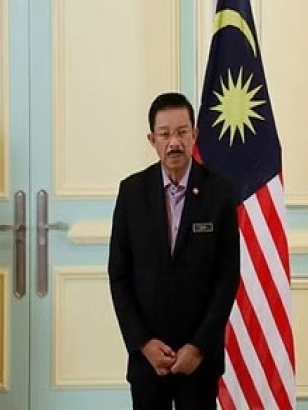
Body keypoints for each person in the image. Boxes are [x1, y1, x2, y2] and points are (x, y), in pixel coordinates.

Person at [108, 92, 240, 410]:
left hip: (198, 357)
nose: (174, 142)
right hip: (147, 357)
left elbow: (227, 276)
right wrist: (143, 343)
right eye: (165, 134)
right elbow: (119, 275)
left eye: (182, 132)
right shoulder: (131, 193)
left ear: (195, 135)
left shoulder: (219, 192)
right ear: (152, 139)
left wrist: (197, 346)